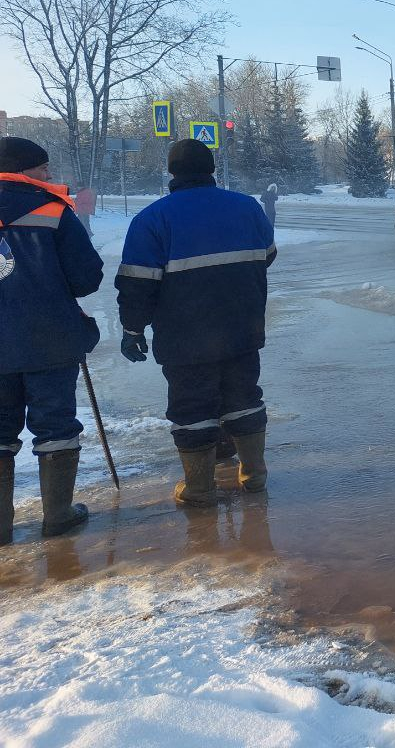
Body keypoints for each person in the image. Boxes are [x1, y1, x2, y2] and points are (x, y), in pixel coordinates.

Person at [116, 139, 276, 507]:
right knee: (244, 397)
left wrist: (132, 328)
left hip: (184, 335)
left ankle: (200, 489)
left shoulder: (153, 218)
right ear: (212, 169)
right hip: (242, 326)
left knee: (191, 408)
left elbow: (137, 282)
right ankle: (254, 476)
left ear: (172, 172)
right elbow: (266, 256)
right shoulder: (248, 208)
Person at [0, 137, 103, 545]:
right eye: (42, 168)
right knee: (56, 424)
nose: (48, 175)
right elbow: (86, 277)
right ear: (24, 169)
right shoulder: (52, 210)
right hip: (50, 338)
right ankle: (57, 514)